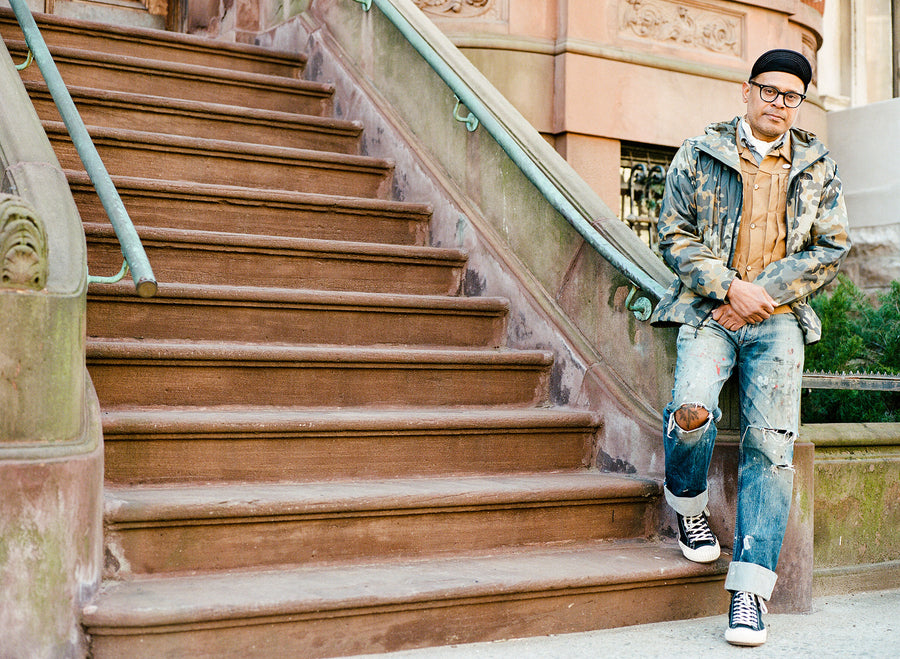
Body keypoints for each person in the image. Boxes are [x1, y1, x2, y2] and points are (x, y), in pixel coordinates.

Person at [650, 49, 851, 646]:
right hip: (709, 313)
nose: (778, 104)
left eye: (791, 96)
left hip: (779, 320)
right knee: (691, 414)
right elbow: (672, 233)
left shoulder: (818, 165)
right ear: (747, 91)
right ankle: (687, 505)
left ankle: (749, 593)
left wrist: (761, 293)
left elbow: (832, 246)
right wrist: (728, 288)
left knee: (771, 446)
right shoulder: (700, 152)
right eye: (769, 91)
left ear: (800, 101)